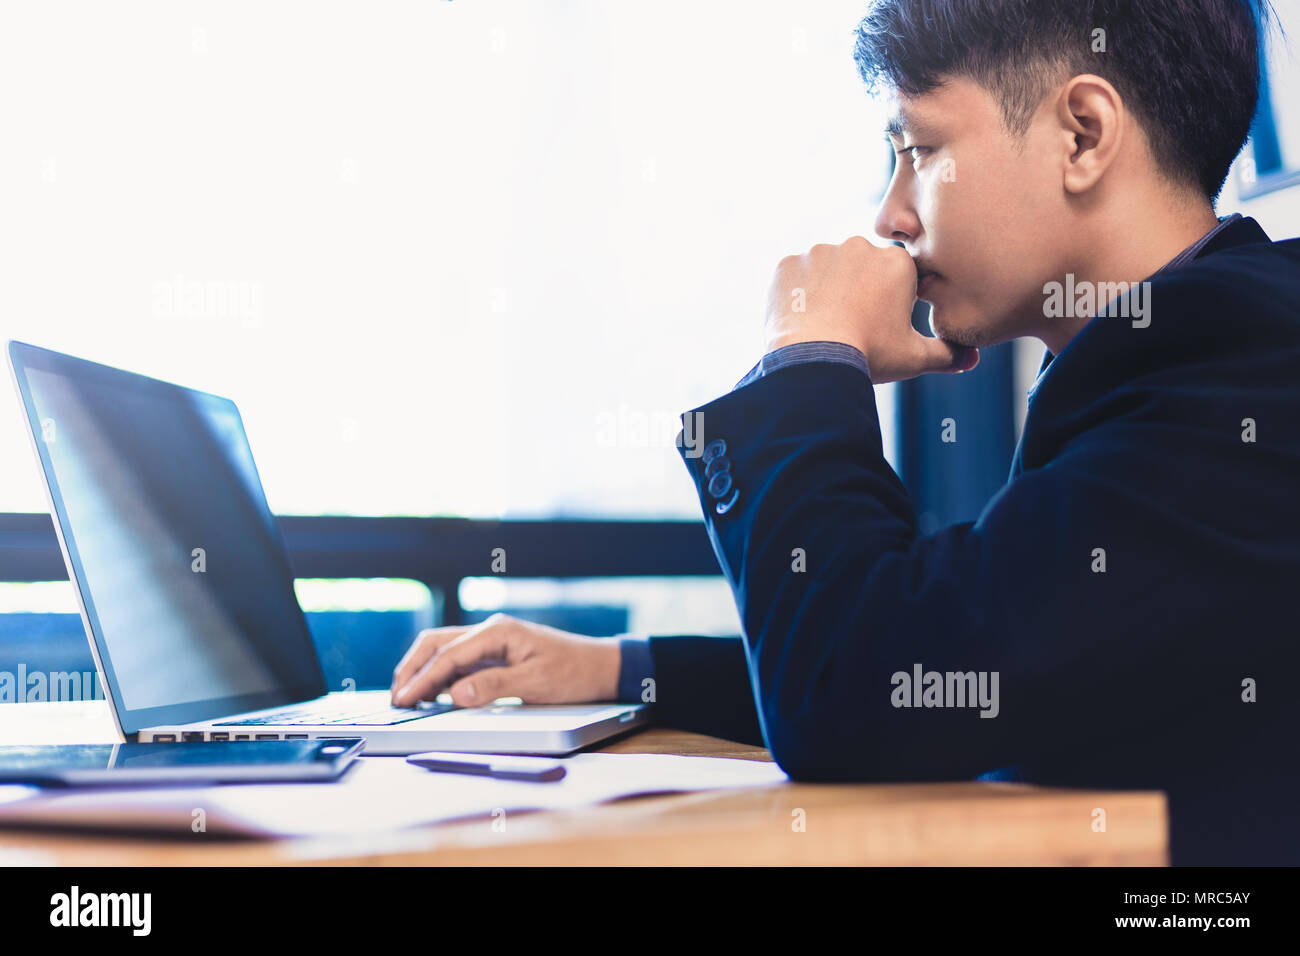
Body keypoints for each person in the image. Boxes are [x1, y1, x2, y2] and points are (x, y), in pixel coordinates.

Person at [392, 0, 1300, 865]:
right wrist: (624, 668)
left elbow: (863, 694)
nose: (890, 215)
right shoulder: (1188, 359)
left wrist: (808, 356)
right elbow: (962, 650)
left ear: (1082, 135)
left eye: (919, 147)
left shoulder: (1242, 364)